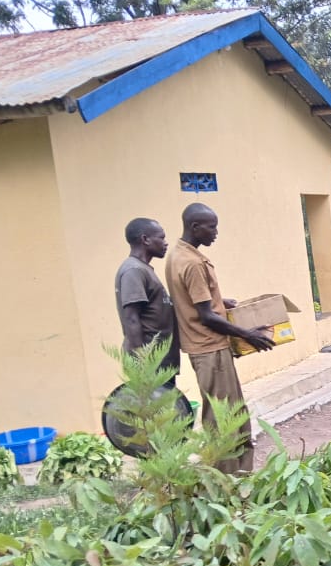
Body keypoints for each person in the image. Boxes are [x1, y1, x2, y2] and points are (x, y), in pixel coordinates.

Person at [164, 203, 274, 474]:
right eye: (211, 227)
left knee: (233, 413)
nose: (215, 232)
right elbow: (206, 316)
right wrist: (248, 335)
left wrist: (219, 301)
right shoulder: (192, 263)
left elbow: (193, 299)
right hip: (209, 348)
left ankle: (240, 473)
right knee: (223, 418)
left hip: (207, 348)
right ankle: (224, 478)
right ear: (195, 227)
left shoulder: (178, 254)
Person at [115, 217, 179, 385]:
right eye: (161, 237)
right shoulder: (134, 270)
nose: (165, 243)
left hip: (160, 360)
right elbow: (131, 318)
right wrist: (143, 362)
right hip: (150, 364)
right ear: (145, 239)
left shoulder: (143, 269)